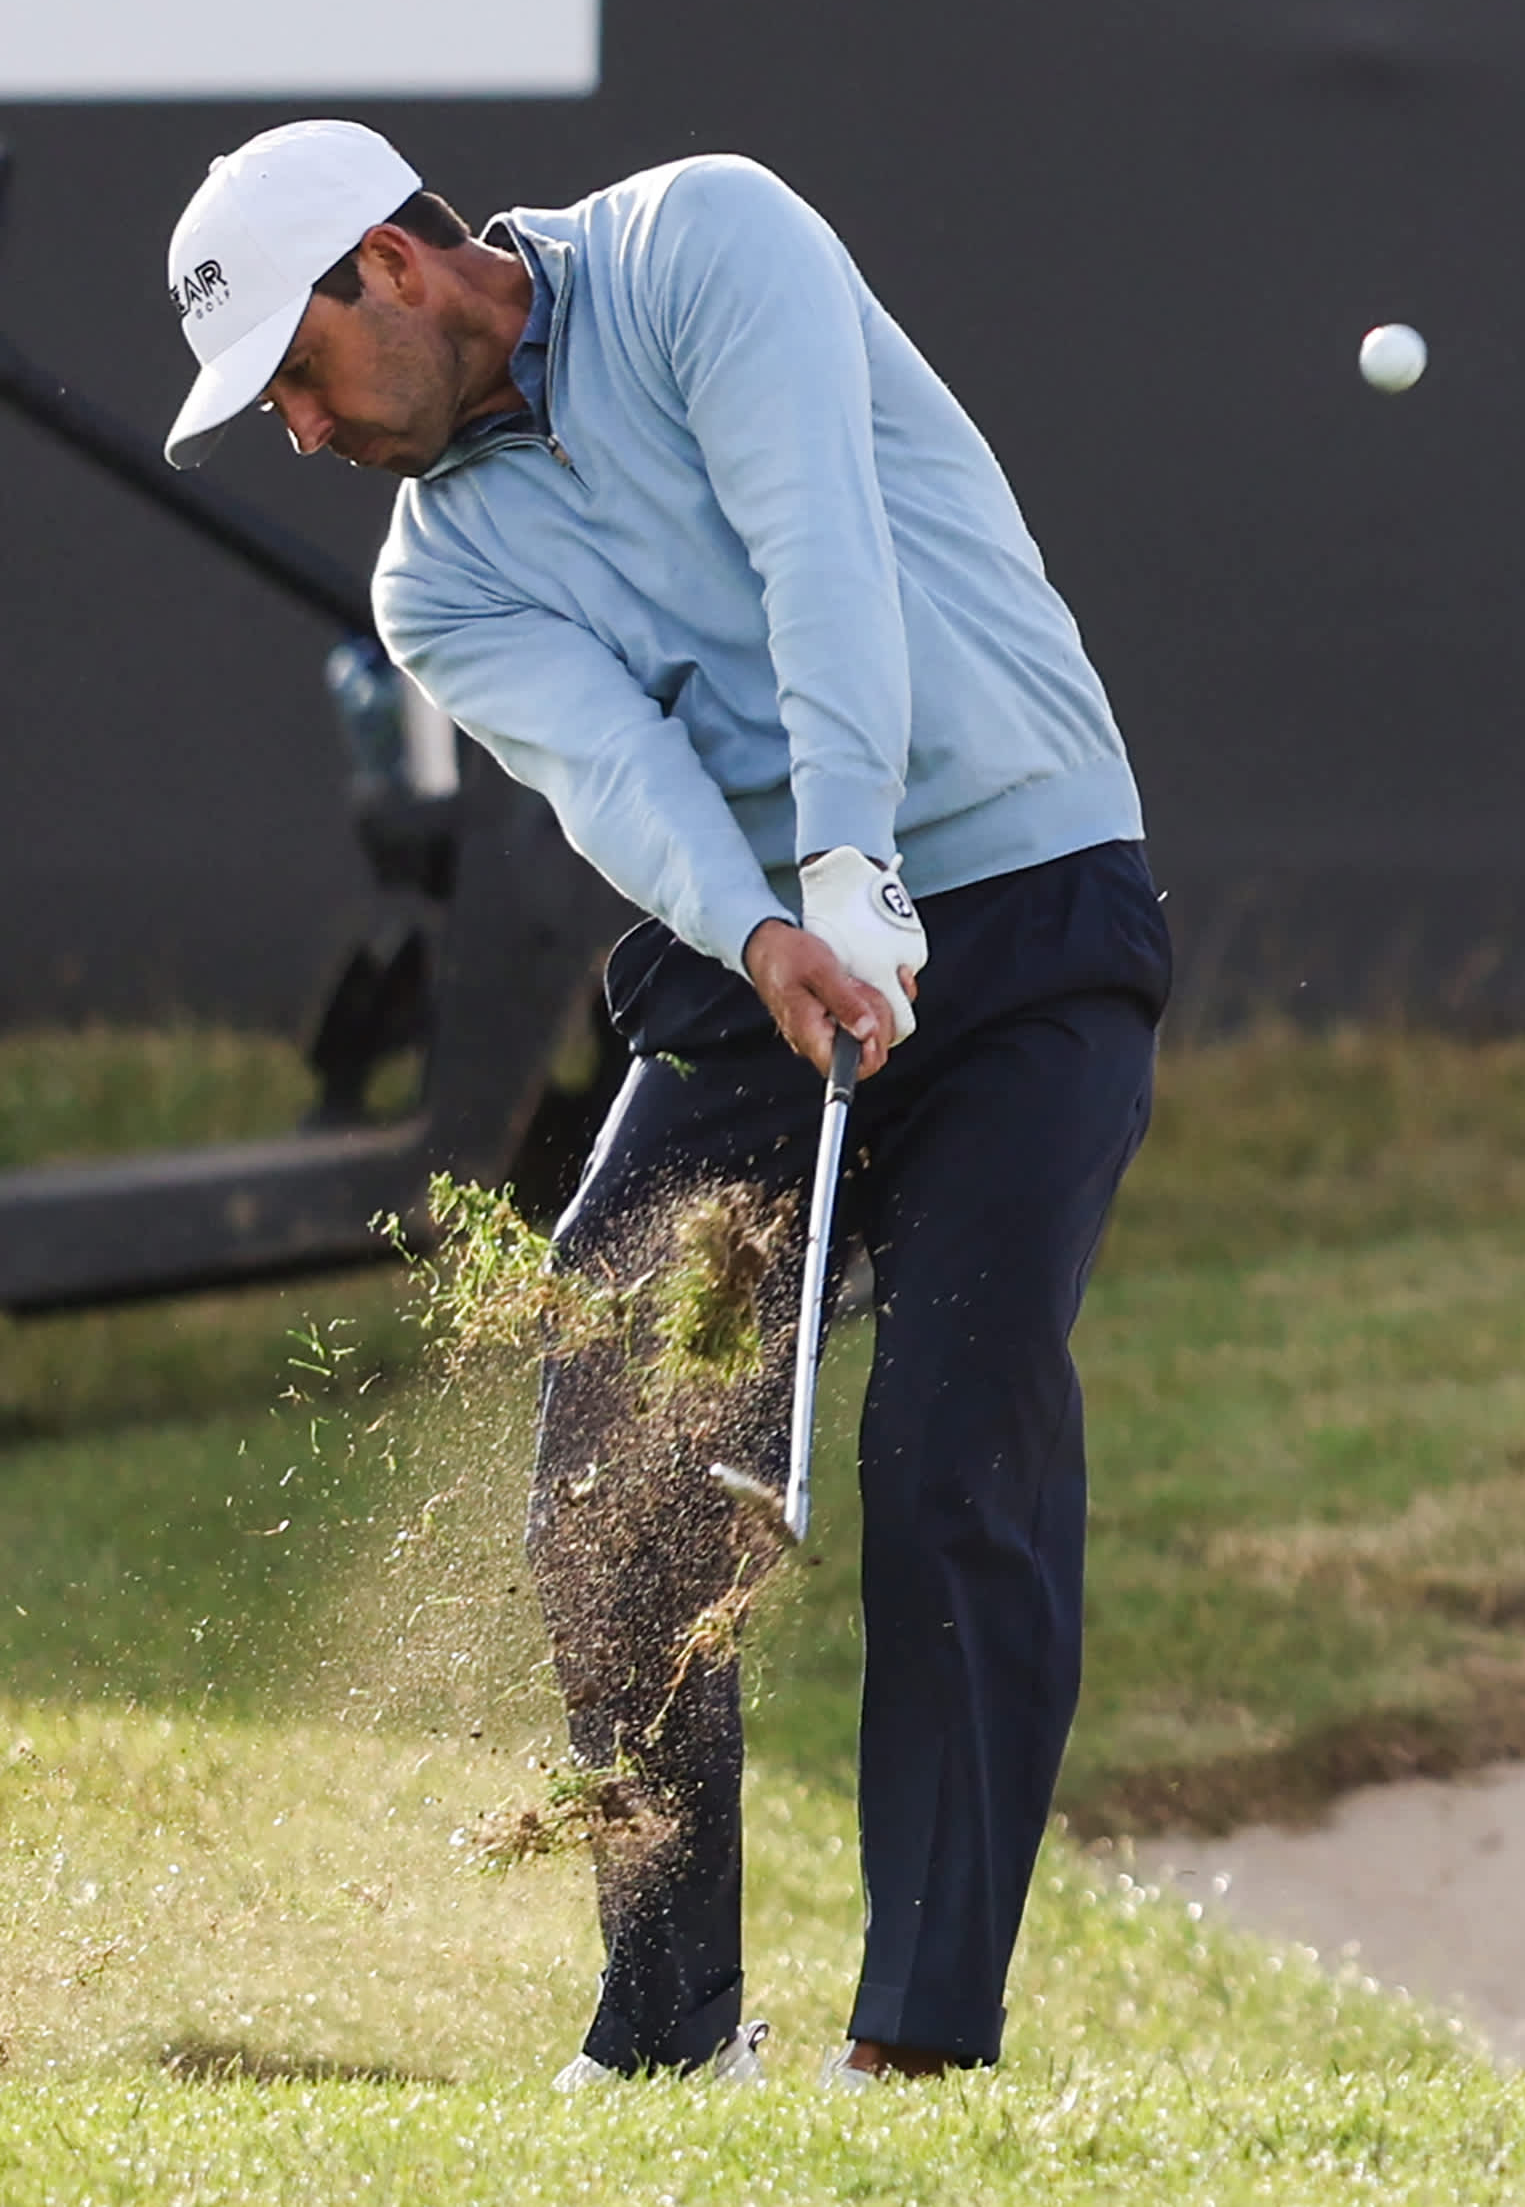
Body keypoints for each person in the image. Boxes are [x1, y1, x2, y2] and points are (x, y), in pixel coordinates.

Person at [163, 118, 1172, 2086]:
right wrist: (764, 920)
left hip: (1026, 928)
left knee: (953, 1437)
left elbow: (821, 549)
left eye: (292, 367)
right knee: (614, 1446)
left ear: (390, 261)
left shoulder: (707, 239)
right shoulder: (436, 580)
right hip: (755, 999)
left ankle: (920, 2047)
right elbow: (625, 780)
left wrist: (859, 856)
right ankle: (664, 2025)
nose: (294, 425)